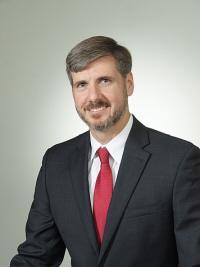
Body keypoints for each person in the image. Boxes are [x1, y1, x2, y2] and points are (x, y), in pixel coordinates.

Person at [10, 36, 200, 267]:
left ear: (128, 83)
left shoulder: (180, 161)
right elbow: (37, 255)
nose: (93, 97)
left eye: (104, 81)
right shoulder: (56, 163)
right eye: (81, 84)